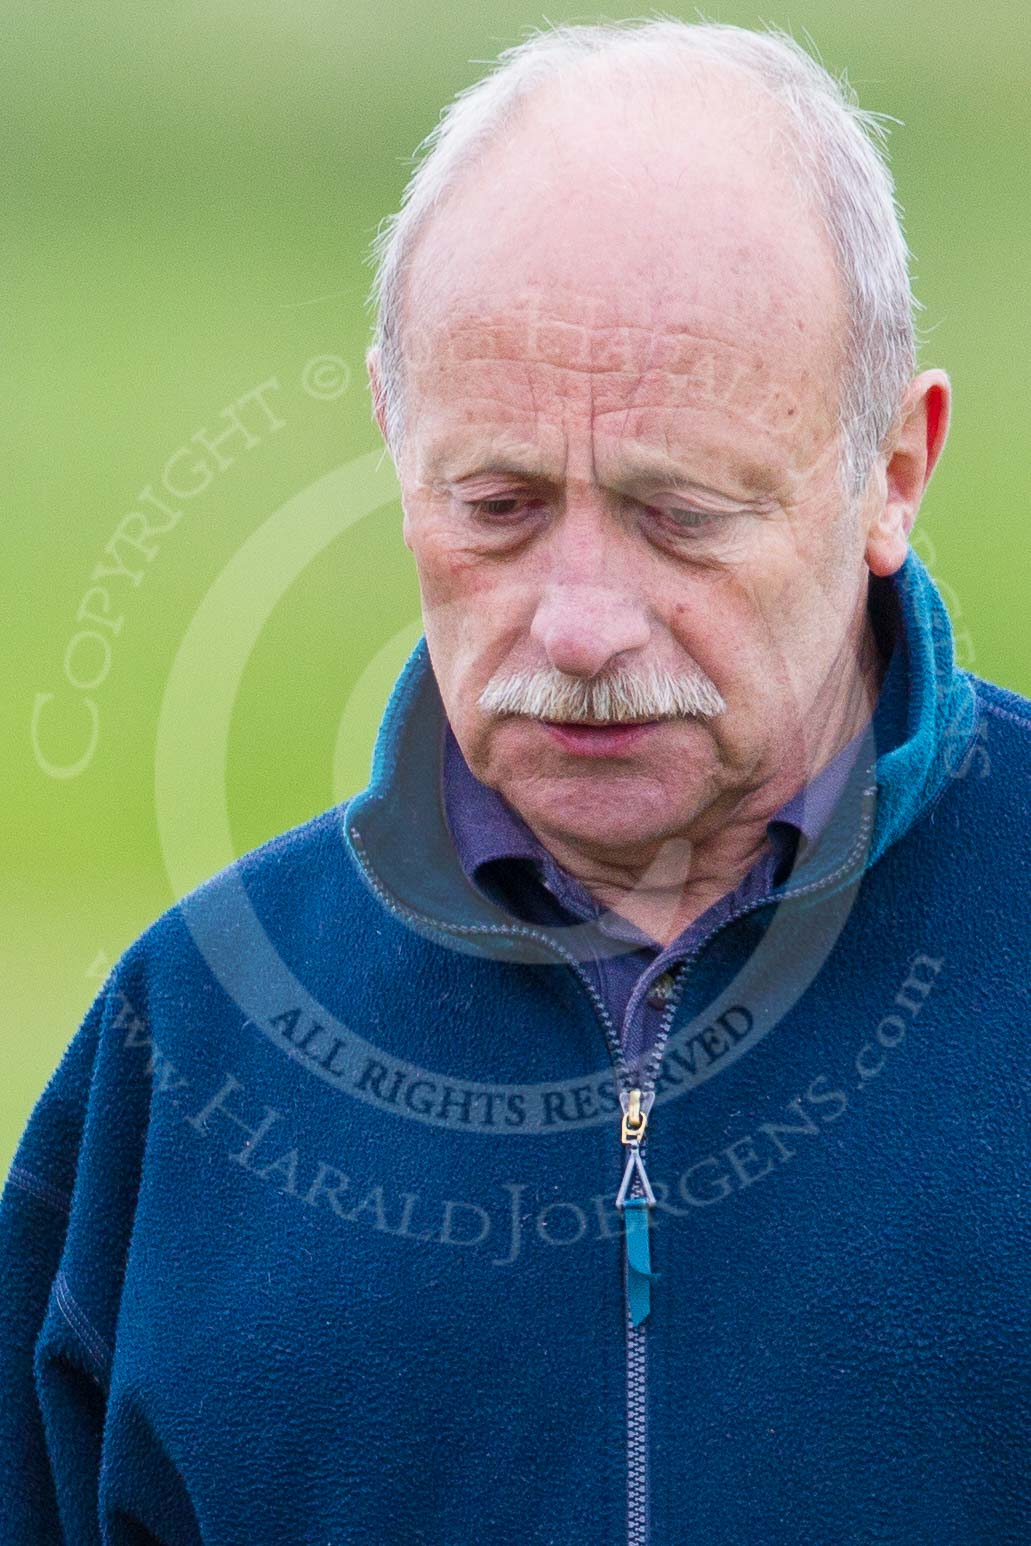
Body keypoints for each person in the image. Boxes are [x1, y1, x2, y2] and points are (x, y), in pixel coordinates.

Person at [2, 18, 1029, 1546]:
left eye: (679, 513)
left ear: (893, 470)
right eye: (498, 505)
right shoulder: (186, 1052)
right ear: (393, 436)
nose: (581, 624)